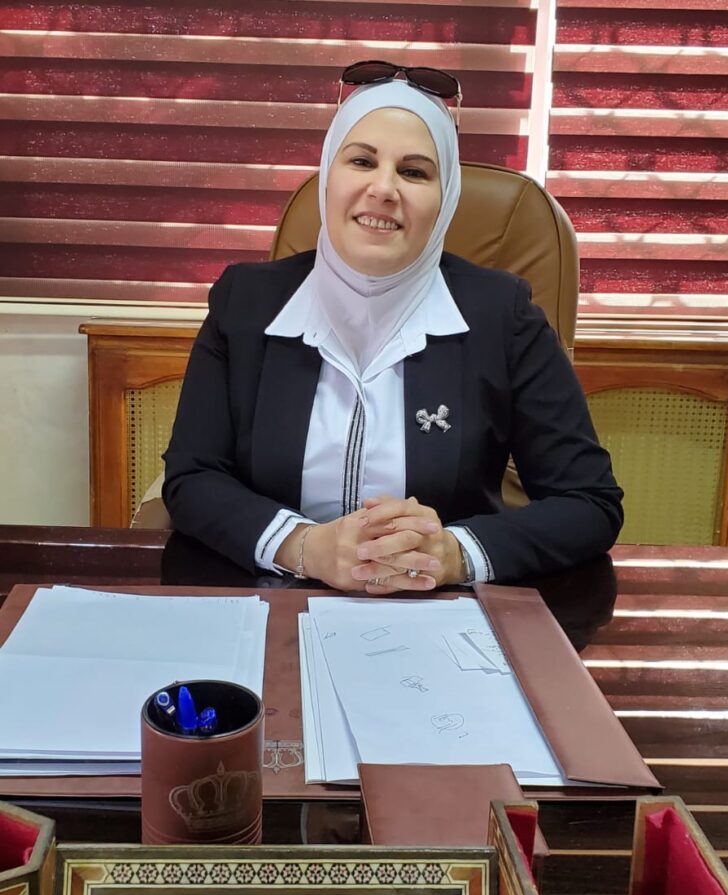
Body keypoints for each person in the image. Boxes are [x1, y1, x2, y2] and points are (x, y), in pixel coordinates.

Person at [163, 66, 622, 594]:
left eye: (414, 172)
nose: (383, 189)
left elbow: (589, 502)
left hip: (438, 612)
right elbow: (192, 476)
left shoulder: (503, 317)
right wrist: (303, 546)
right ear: (328, 176)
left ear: (445, 198)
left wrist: (453, 554)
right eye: (361, 161)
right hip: (275, 602)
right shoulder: (245, 303)